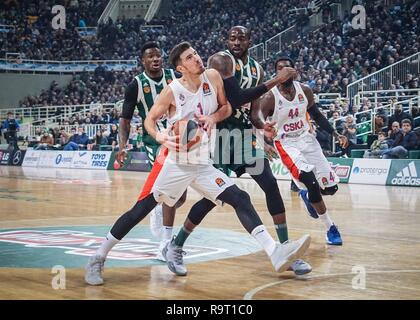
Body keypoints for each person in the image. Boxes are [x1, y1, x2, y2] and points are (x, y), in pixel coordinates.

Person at [84, 42, 310, 285]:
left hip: (202, 163)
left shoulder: (212, 77)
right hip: (175, 163)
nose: (198, 59)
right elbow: (150, 120)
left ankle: (275, 252)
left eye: (196, 54)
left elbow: (226, 107)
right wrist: (160, 136)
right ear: (181, 67)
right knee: (141, 209)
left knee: (240, 198)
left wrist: (213, 117)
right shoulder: (172, 91)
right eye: (191, 58)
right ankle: (98, 257)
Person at [165, 26, 313, 275]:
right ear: (227, 41)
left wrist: (262, 126)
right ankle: (176, 244)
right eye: (232, 37)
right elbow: (235, 99)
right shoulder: (220, 60)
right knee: (212, 199)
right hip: (221, 136)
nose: (236, 41)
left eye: (241, 38)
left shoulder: (257, 68)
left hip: (244, 138)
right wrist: (276, 80)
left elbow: (253, 108)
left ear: (249, 41)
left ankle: (286, 249)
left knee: (270, 184)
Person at [250, 57, 345, 246]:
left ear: (294, 71)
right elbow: (256, 119)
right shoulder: (270, 96)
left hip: (307, 139)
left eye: (287, 67)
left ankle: (308, 196)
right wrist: (263, 143)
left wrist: (335, 133)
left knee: (330, 188)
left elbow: (316, 115)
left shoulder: (305, 90)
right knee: (309, 180)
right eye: (279, 68)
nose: (284, 70)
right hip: (286, 144)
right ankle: (330, 228)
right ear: (276, 74)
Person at [118, 41, 185, 261]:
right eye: (150, 56)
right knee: (171, 189)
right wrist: (122, 145)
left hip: (177, 136)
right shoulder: (135, 85)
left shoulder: (174, 77)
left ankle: (157, 208)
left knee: (180, 195)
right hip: (154, 141)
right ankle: (165, 243)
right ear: (143, 61)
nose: (155, 59)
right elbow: (125, 120)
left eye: (158, 55)